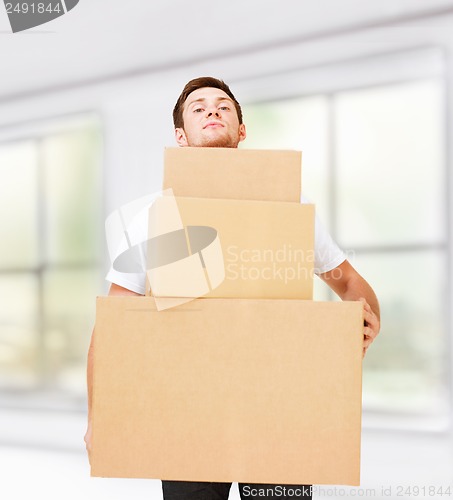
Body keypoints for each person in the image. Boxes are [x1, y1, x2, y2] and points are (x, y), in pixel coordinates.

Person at [84, 76, 381, 500]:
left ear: (242, 131)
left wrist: (366, 315)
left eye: (223, 106)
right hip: (188, 413)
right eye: (199, 107)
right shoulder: (153, 215)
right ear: (180, 136)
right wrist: (98, 416)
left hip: (277, 408)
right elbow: (114, 329)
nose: (212, 111)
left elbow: (349, 282)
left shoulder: (287, 211)